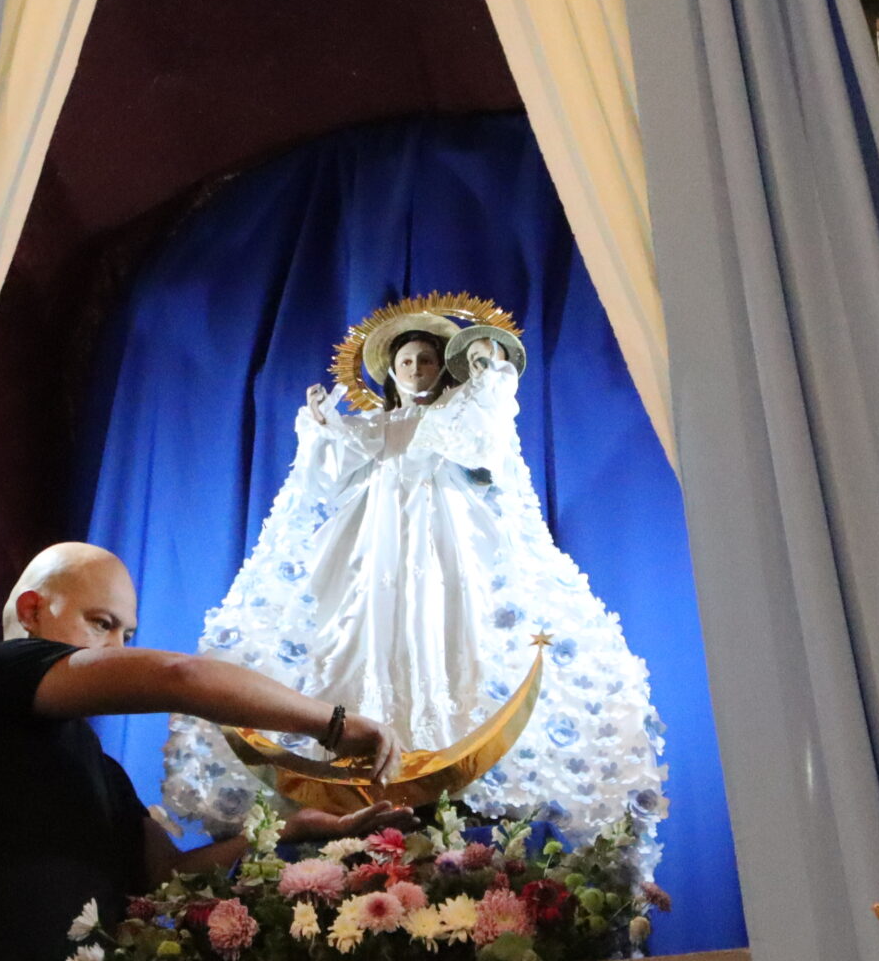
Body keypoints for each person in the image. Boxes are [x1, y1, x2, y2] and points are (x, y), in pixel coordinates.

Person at [163, 304, 669, 860]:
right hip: (371, 553)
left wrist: (489, 367)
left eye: (426, 359)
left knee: (443, 632)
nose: (414, 369)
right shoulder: (375, 429)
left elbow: (486, 435)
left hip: (445, 546)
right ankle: (365, 749)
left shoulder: (456, 422)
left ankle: (440, 760)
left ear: (442, 367)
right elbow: (327, 471)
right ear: (389, 371)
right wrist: (320, 427)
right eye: (404, 360)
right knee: (362, 634)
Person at [0, 541, 405, 961]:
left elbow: (164, 874)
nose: (117, 648)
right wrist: (332, 724)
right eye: (101, 624)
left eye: (127, 635)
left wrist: (292, 830)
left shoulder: (98, 764)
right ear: (31, 611)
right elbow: (179, 677)